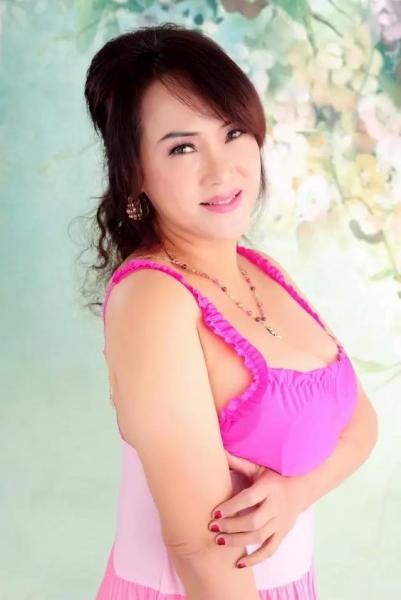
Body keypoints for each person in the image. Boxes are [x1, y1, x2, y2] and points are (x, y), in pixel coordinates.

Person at [84, 22, 378, 600]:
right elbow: (200, 548)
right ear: (134, 173)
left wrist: (295, 493)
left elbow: (360, 423)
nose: (222, 171)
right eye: (182, 147)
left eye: (233, 132)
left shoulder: (262, 271)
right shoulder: (153, 301)